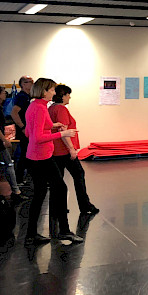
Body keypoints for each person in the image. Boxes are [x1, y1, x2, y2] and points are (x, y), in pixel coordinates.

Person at [24, 78, 83, 245]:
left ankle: (30, 235)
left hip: (35, 156)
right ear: (44, 91)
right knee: (60, 189)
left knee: (40, 194)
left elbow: (29, 132)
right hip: (42, 157)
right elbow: (37, 137)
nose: (54, 93)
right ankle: (64, 231)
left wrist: (53, 126)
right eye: (51, 90)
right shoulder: (40, 108)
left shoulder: (35, 106)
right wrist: (63, 133)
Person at [48, 84, 99, 216]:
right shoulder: (61, 109)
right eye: (68, 95)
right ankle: (85, 205)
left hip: (54, 150)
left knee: (57, 180)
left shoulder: (51, 108)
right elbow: (63, 131)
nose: (69, 97)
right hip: (63, 150)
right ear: (63, 95)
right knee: (78, 174)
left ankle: (57, 207)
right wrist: (71, 148)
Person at [0, 86, 23, 199]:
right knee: (8, 164)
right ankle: (16, 191)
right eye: (3, 92)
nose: (5, 94)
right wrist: (4, 140)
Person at [11, 75, 34, 184]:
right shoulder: (22, 97)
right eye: (30, 82)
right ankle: (19, 179)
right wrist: (22, 127)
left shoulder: (29, 96)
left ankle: (26, 178)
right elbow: (14, 112)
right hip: (24, 130)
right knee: (25, 154)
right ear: (23, 84)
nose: (32, 84)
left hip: (28, 129)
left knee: (28, 153)